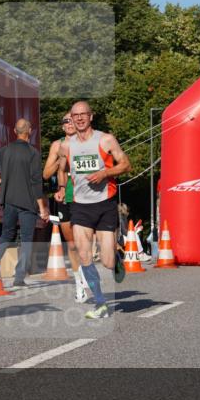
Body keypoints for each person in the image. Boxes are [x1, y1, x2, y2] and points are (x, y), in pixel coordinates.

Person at [57, 100, 131, 320]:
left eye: (83, 114)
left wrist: (105, 174)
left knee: (106, 261)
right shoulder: (66, 146)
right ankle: (100, 302)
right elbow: (62, 169)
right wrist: (61, 188)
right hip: (80, 206)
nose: (79, 118)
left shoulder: (106, 139)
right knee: (84, 254)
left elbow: (126, 164)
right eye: (74, 115)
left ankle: (116, 257)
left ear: (91, 116)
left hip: (105, 204)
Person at [0, 118, 49, 288]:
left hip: (9, 201)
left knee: (6, 235)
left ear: (14, 131)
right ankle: (19, 278)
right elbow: (36, 183)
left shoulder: (5, 151)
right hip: (27, 203)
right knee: (26, 240)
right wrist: (42, 208)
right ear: (30, 131)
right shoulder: (33, 153)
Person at [43, 111, 90, 302]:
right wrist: (61, 158)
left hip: (86, 195)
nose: (69, 123)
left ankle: (89, 271)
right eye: (65, 121)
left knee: (86, 238)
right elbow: (46, 174)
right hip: (65, 198)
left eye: (72, 119)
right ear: (62, 126)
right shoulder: (57, 144)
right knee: (71, 243)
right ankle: (80, 283)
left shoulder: (89, 140)